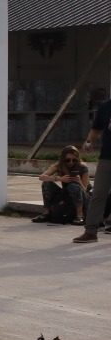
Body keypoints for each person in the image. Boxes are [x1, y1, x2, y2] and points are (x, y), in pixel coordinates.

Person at [72, 95, 111, 244]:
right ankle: (90, 232)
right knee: (98, 194)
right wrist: (88, 141)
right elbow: (96, 128)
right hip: (107, 157)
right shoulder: (106, 106)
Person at [35, 147, 90, 226]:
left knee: (73, 186)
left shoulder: (83, 168)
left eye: (74, 160)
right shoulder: (59, 166)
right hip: (66, 193)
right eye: (68, 160)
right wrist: (59, 178)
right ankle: (46, 213)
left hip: (82, 195)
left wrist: (79, 182)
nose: (71, 162)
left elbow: (85, 190)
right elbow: (41, 177)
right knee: (46, 183)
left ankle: (80, 215)